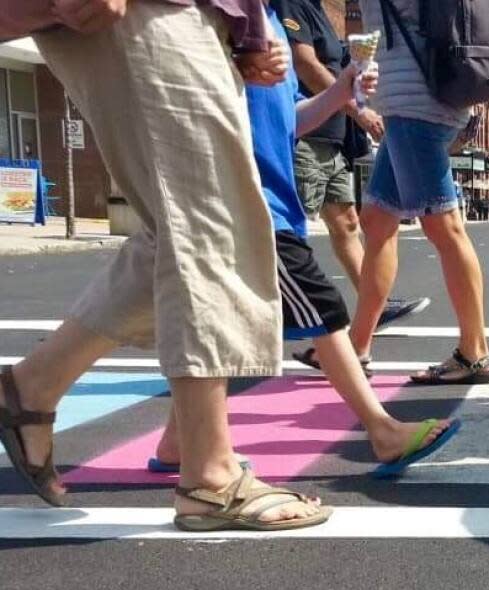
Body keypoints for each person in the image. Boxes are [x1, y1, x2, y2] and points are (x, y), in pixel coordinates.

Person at [0, 0, 330, 531]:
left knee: (184, 233)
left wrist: (244, 27)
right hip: (149, 11)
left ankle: (31, 389)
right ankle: (210, 475)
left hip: (195, 14)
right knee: (206, 226)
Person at [153, 1, 459, 476]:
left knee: (218, 322)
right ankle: (382, 431)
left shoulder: (266, 19)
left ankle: (175, 440)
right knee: (325, 313)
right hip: (248, 204)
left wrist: (342, 91)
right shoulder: (232, 20)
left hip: (264, 199)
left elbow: (287, 122)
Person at [328, 0, 489, 385]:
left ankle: (475, 351)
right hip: (416, 96)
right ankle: (357, 346)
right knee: (378, 219)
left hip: (414, 102)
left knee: (444, 227)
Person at [272, 0, 430, 328]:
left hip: (332, 138)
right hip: (304, 135)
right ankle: (292, 312)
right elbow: (304, 64)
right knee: (286, 232)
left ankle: (375, 305)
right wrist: (357, 111)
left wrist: (355, 13)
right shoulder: (291, 3)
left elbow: (353, 54)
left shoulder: (325, 12)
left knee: (346, 223)